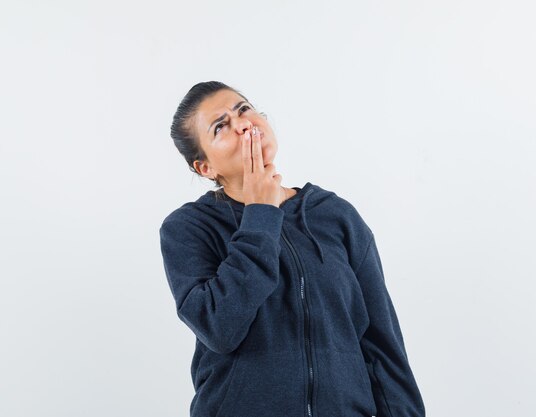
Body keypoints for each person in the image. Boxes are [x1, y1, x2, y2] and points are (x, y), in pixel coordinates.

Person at [159, 81, 426, 417]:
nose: (243, 123)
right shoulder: (188, 228)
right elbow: (220, 327)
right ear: (205, 167)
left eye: (244, 109)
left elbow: (382, 345)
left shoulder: (335, 215)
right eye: (221, 126)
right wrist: (261, 215)